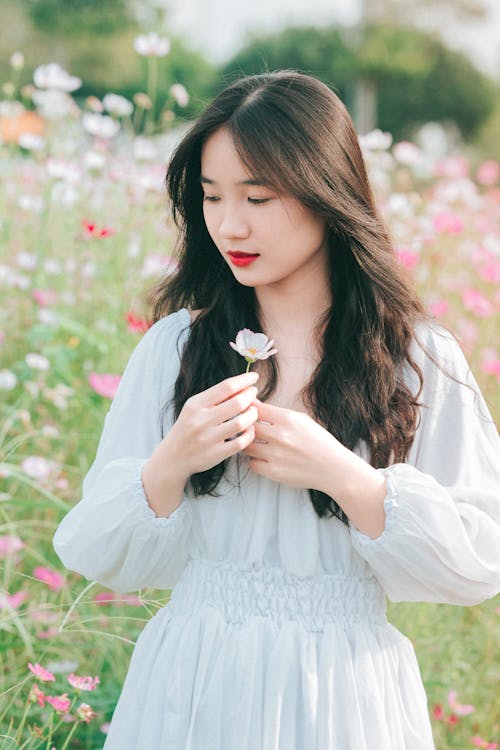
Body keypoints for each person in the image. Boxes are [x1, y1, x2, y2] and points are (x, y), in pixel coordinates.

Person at [53, 71, 500, 749]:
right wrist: (172, 461)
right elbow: (95, 549)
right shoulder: (177, 349)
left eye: (258, 197)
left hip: (341, 697)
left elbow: (477, 562)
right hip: (191, 687)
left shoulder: (416, 359)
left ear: (328, 195)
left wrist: (346, 477)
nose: (230, 224)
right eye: (211, 197)